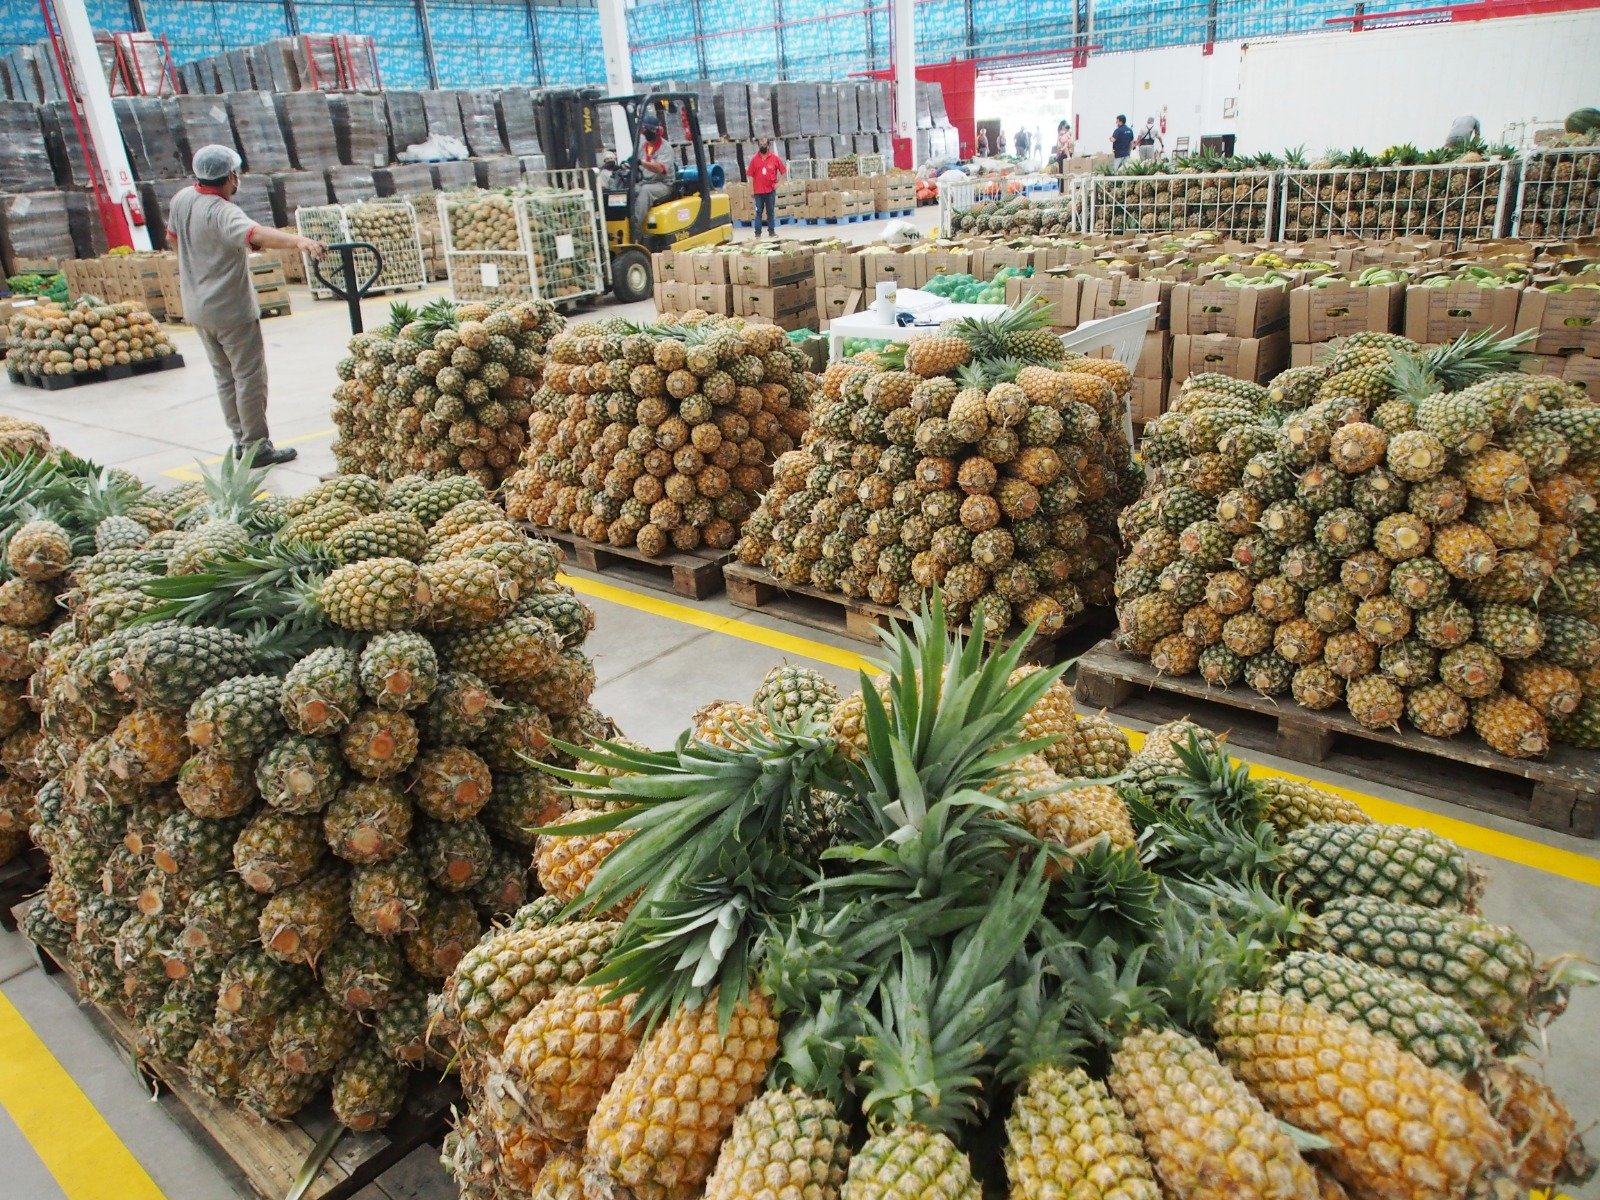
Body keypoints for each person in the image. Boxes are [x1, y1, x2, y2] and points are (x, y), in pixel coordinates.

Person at [169, 145, 325, 465]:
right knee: (249, 378)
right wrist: (300, 241)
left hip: (197, 308)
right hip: (230, 310)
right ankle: (257, 446)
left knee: (224, 377)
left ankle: (240, 441)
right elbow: (257, 234)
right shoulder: (222, 212)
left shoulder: (182, 199)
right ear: (230, 177)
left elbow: (173, 238)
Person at [632, 110, 675, 238]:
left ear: (657, 131)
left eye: (650, 130)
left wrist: (641, 162)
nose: (647, 132)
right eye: (645, 130)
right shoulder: (642, 146)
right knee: (629, 190)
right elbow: (634, 161)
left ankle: (634, 228)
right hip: (645, 181)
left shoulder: (665, 148)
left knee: (645, 190)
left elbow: (660, 168)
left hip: (663, 184)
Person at [746, 136, 786, 237]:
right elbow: (750, 175)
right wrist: (751, 190)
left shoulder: (775, 159)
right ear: (758, 146)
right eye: (760, 145)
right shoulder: (754, 160)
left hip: (770, 191)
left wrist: (779, 183)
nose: (762, 146)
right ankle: (757, 233)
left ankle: (771, 231)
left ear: (768, 146)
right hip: (758, 192)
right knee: (758, 212)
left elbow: (783, 172)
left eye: (764, 145)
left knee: (770, 212)